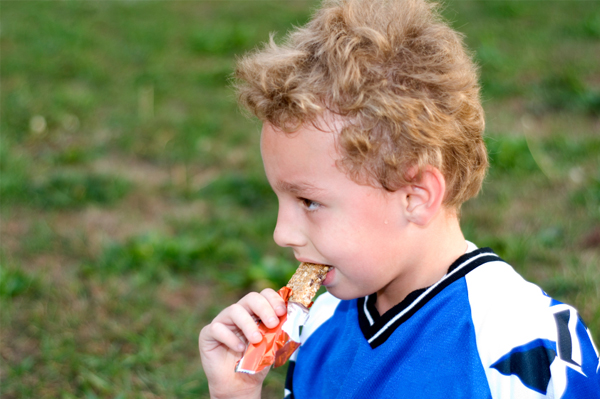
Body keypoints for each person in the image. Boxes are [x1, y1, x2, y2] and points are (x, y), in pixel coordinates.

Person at [198, 0, 600, 397]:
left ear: (416, 197)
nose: (281, 233)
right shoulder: (317, 327)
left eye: (309, 202)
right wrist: (236, 393)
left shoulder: (523, 346)